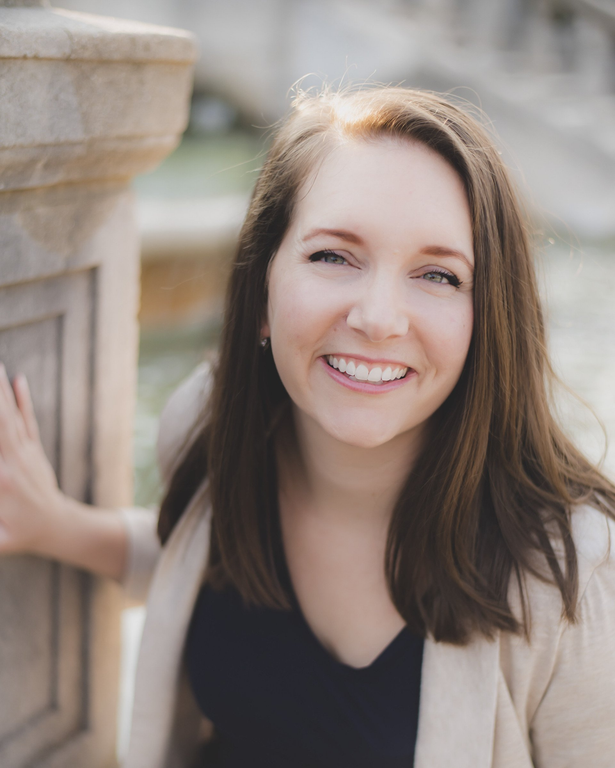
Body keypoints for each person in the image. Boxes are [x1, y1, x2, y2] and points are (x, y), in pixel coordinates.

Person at [0, 86, 614, 768]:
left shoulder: (571, 583)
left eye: (438, 275)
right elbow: (196, 557)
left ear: (487, 320)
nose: (379, 317)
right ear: (261, 288)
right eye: (332, 257)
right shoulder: (210, 426)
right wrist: (50, 523)